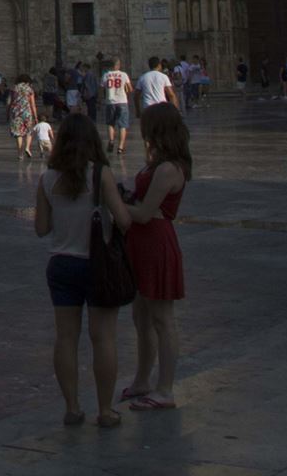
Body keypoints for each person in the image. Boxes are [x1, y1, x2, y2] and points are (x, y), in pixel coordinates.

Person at [34, 112, 135, 428]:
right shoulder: (100, 174)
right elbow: (124, 220)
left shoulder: (48, 178)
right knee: (103, 338)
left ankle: (73, 407)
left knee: (65, 337)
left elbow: (41, 228)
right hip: (96, 263)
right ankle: (105, 411)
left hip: (61, 264)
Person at [121, 102, 190, 412]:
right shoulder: (156, 163)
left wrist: (114, 205)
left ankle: (165, 390)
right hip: (139, 243)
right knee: (141, 317)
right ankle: (141, 380)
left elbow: (147, 213)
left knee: (162, 319)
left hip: (155, 242)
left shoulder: (168, 168)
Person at [101, 58, 132, 155]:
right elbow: (130, 89)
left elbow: (101, 88)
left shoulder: (106, 75)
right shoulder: (124, 75)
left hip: (110, 101)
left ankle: (111, 140)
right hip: (122, 101)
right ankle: (120, 147)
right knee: (123, 125)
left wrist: (101, 98)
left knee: (110, 123)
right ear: (118, 65)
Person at [9, 74, 40, 158]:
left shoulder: (14, 88)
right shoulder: (29, 89)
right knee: (29, 131)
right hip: (27, 112)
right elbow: (32, 104)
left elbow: (11, 101)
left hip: (16, 112)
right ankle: (27, 148)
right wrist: (36, 117)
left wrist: (9, 111)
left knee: (18, 133)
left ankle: (20, 154)